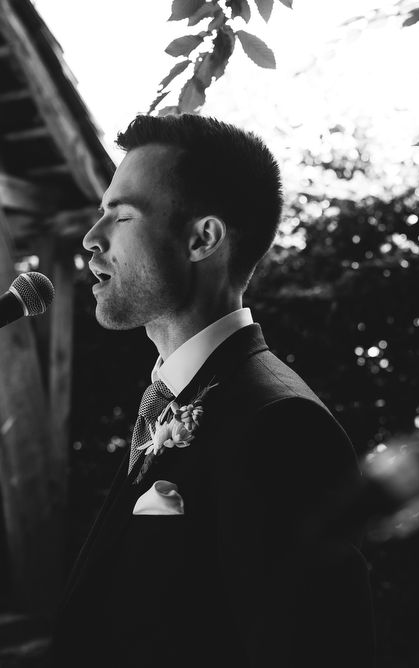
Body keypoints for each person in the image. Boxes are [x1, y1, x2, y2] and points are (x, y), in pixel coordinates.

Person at [52, 114, 376, 667]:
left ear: (202, 238)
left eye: (121, 215)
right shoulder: (174, 399)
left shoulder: (280, 426)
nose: (90, 239)